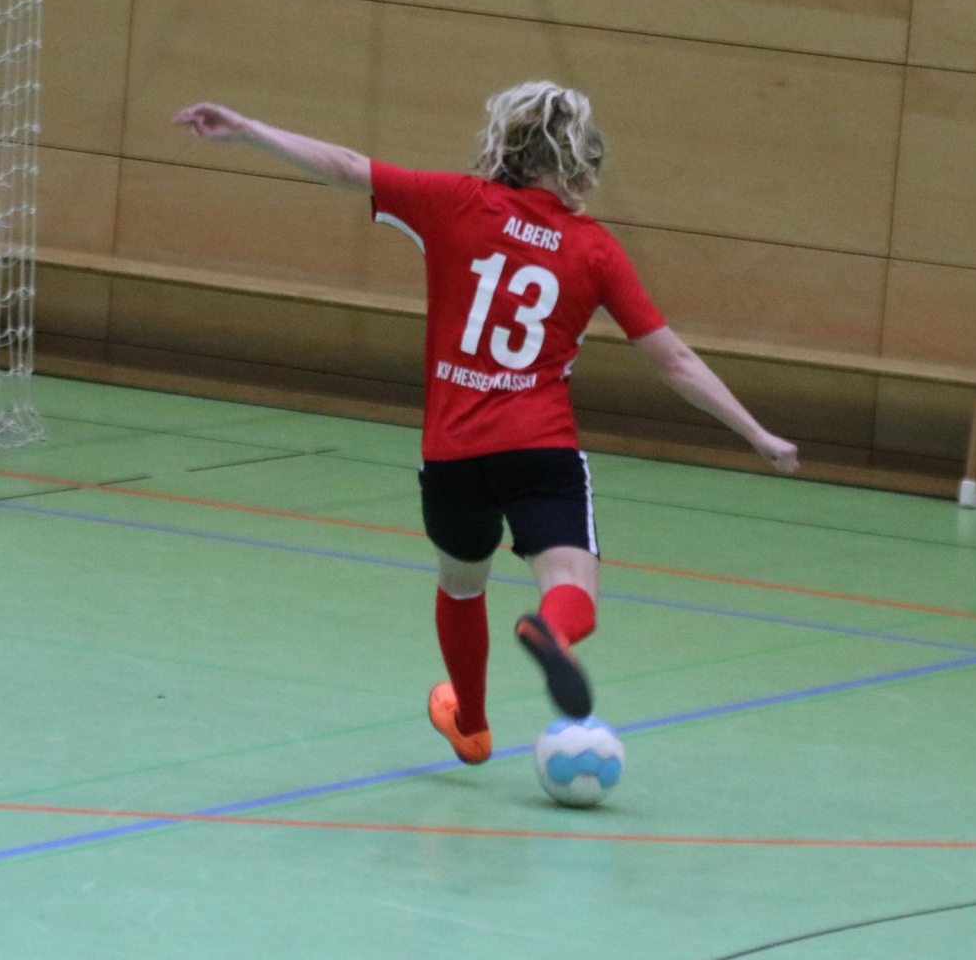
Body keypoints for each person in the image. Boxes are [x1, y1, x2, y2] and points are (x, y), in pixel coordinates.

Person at [172, 83, 799, 764]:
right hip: (539, 448)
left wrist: (250, 129)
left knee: (462, 583)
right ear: (580, 164)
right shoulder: (595, 250)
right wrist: (756, 433)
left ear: (509, 148)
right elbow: (672, 360)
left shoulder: (455, 203)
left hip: (453, 455)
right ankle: (552, 631)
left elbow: (349, 168)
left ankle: (470, 724)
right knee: (571, 586)